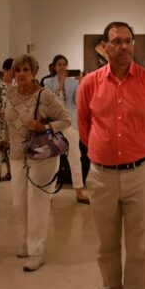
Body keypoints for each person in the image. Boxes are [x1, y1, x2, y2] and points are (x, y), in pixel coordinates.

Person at [77, 22, 145, 289]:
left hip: (139, 175)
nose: (124, 46)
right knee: (106, 247)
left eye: (128, 41)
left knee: (138, 248)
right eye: (117, 41)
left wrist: (143, 153)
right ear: (105, 46)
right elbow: (84, 126)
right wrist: (103, 156)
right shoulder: (89, 84)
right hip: (101, 175)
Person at [4, 54, 70, 272]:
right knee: (19, 202)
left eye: (25, 70)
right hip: (16, 155)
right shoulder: (11, 92)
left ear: (34, 72)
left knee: (37, 203)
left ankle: (37, 250)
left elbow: (65, 119)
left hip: (41, 154)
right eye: (18, 70)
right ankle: (25, 240)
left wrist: (46, 128)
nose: (21, 74)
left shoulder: (45, 95)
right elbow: (7, 119)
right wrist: (4, 138)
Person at [43, 54, 90, 203]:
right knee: (53, 160)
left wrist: (82, 84)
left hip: (71, 123)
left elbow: (77, 102)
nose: (62, 67)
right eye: (59, 64)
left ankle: (79, 192)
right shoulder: (47, 82)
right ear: (54, 67)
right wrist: (60, 84)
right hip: (55, 124)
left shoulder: (74, 83)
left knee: (75, 158)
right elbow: (50, 102)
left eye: (64, 64)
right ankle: (49, 193)